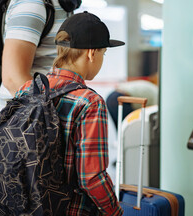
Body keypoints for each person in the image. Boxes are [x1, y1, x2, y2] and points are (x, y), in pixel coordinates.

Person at [16, 11, 124, 215]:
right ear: (92, 53)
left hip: (28, 205)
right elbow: (91, 177)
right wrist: (115, 211)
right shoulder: (89, 102)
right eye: (103, 53)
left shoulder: (28, 88)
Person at [0, 0, 100, 112]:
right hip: (25, 124)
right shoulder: (32, 1)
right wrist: (50, 119)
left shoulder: (61, 2)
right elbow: (13, 78)